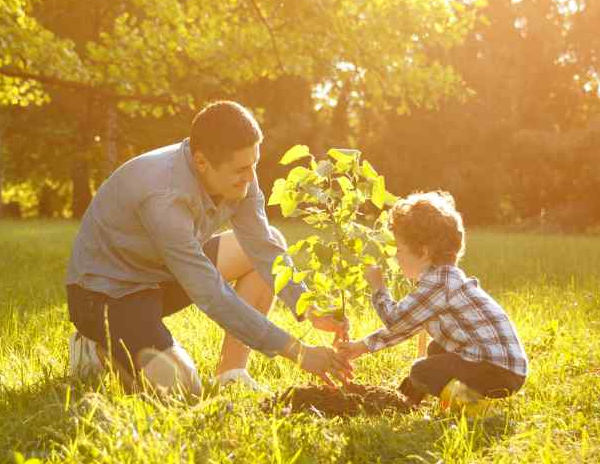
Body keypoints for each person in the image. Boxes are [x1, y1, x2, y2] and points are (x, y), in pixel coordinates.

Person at [65, 101, 351, 395]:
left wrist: (310, 308)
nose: (251, 178)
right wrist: (299, 352)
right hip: (106, 296)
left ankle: (231, 372)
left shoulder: (240, 180)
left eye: (254, 163)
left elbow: (264, 249)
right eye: (241, 168)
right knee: (184, 388)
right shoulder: (164, 196)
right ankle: (95, 350)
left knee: (272, 239)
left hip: (159, 276)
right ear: (201, 162)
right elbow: (211, 294)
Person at [335, 191, 528, 409]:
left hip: (496, 370)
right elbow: (407, 326)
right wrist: (361, 347)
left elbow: (395, 321)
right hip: (503, 368)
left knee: (422, 371)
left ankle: (472, 408)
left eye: (399, 249)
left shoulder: (438, 284)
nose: (396, 256)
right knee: (437, 349)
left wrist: (378, 288)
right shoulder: (444, 279)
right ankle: (408, 401)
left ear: (424, 252)